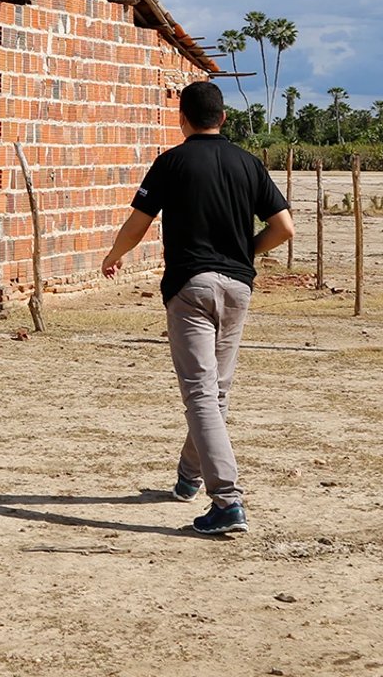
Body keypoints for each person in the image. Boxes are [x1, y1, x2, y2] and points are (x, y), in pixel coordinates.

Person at [101, 79, 293, 536]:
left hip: (191, 287)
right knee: (215, 393)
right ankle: (189, 476)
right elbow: (284, 227)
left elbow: (138, 223)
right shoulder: (249, 163)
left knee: (202, 394)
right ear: (223, 117)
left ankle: (227, 501)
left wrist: (114, 255)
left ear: (181, 118)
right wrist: (244, 252)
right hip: (238, 289)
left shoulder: (171, 162)